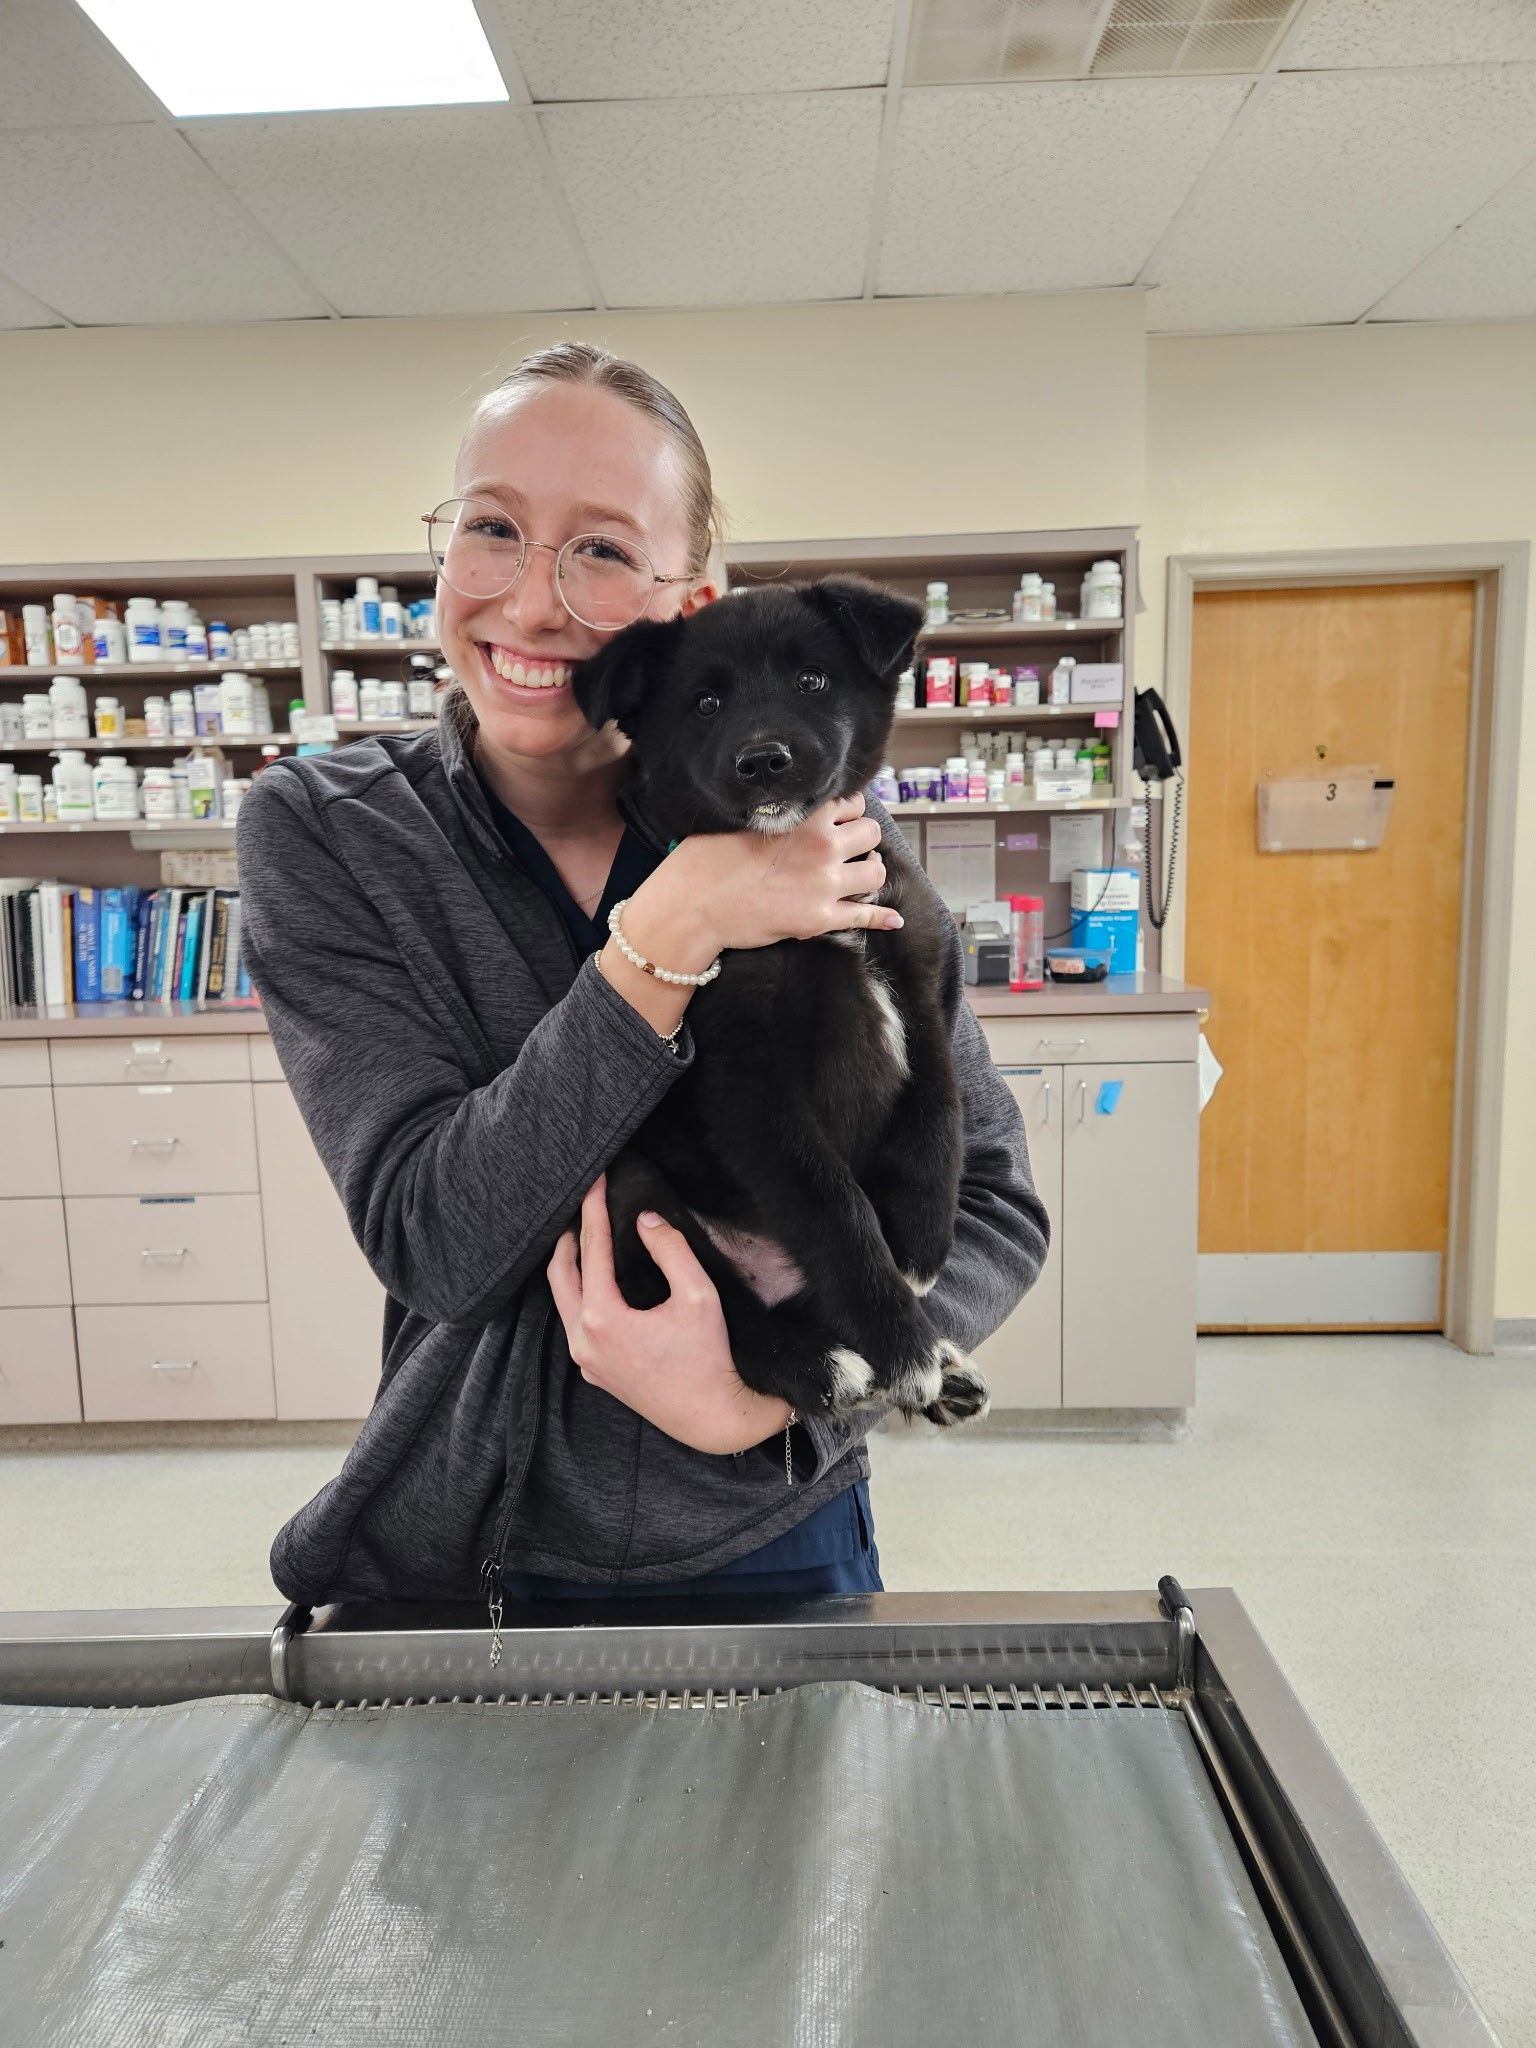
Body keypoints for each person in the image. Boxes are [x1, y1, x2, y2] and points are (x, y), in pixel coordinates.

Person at [236, 342, 1048, 1623]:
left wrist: (757, 1398)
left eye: (604, 548)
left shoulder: (835, 840)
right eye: (494, 526)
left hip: (776, 1513)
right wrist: (665, 935)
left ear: (692, 603)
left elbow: (991, 1194)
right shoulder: (328, 833)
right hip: (470, 1552)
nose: (535, 599)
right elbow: (436, 1241)